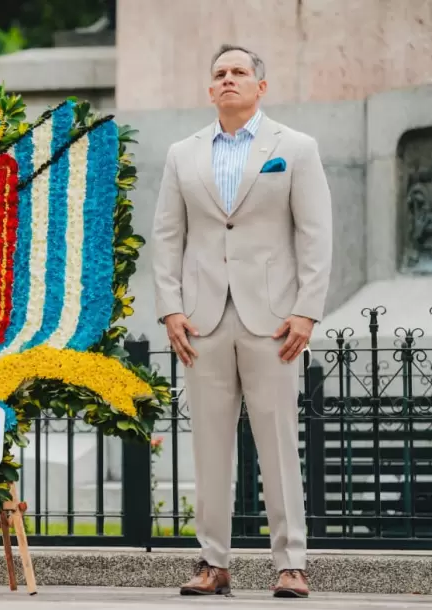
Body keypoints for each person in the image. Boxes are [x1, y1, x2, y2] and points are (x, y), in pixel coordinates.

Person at [152, 44, 332, 599]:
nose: (228, 80)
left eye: (238, 73)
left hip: (274, 321)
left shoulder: (295, 148)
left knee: (279, 443)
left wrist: (306, 309)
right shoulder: (183, 154)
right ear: (210, 90)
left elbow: (315, 234)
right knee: (209, 445)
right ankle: (213, 563)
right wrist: (171, 306)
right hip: (203, 320)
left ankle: (291, 564)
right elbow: (166, 236)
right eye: (219, 74)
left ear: (261, 86)